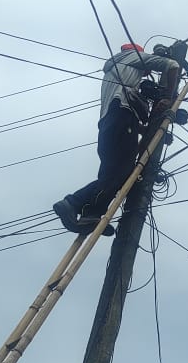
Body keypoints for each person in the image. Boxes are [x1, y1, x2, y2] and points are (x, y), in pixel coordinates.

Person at [53, 42, 180, 234]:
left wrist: (146, 131)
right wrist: (168, 97)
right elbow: (172, 65)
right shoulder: (133, 57)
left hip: (108, 124)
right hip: (121, 117)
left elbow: (120, 112)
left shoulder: (114, 73)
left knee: (111, 175)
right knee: (123, 172)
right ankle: (73, 202)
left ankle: (92, 214)